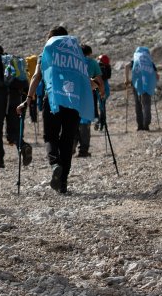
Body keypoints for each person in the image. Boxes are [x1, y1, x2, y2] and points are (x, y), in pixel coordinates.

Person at [18, 26, 94, 194]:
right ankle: (63, 184)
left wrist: (28, 99)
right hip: (73, 102)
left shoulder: (47, 52)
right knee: (67, 141)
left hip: (52, 100)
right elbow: (84, 79)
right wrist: (96, 86)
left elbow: (37, 77)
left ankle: (55, 164)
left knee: (50, 136)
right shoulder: (77, 56)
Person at [75, 45, 105, 157]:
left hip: (72, 94)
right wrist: (102, 93)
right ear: (89, 53)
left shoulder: (74, 60)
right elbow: (99, 81)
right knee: (85, 122)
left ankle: (70, 146)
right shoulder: (92, 63)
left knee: (73, 120)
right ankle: (83, 150)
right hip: (87, 95)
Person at [124, 46, 157, 130]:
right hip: (147, 85)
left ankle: (140, 126)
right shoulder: (150, 62)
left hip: (136, 84)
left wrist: (126, 79)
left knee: (138, 104)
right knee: (146, 104)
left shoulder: (135, 60)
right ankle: (146, 124)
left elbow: (126, 66)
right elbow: (156, 75)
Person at [96, 54, 112, 130]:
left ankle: (100, 122)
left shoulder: (98, 66)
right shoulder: (108, 67)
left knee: (101, 107)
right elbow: (108, 77)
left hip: (99, 88)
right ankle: (102, 123)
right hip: (106, 88)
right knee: (102, 106)